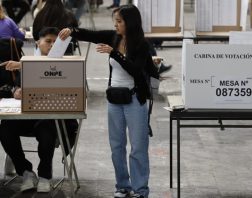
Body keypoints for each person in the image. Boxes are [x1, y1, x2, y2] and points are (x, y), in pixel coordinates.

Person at [59, 4, 158, 198]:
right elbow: (91, 35)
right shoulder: (114, 37)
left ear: (130, 23)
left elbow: (136, 70)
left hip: (135, 100)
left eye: (119, 21)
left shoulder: (142, 45)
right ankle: (122, 185)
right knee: (116, 146)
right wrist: (72, 30)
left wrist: (115, 54)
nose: (116, 25)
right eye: (115, 21)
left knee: (138, 147)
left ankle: (140, 190)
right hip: (114, 100)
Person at [0, 27, 78, 193]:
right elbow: (16, 87)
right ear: (38, 42)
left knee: (46, 126)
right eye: (48, 41)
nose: (51, 45)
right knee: (5, 127)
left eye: (55, 42)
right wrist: (17, 91)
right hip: (27, 116)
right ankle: (26, 172)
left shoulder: (66, 64)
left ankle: (45, 175)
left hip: (52, 119)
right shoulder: (27, 63)